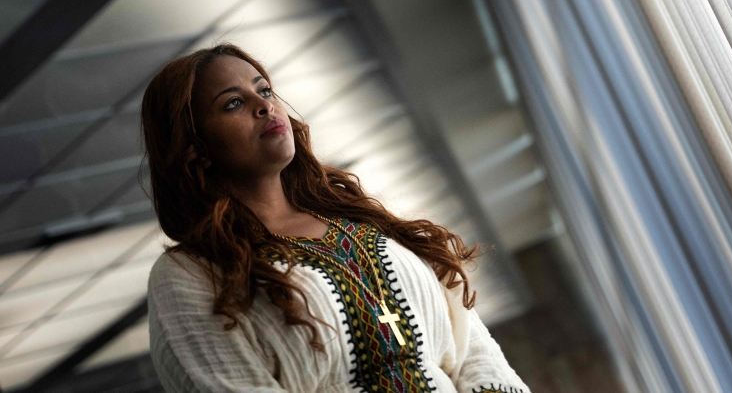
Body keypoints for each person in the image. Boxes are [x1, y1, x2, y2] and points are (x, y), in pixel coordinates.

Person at [142, 43, 529, 393]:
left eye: (264, 90)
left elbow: (474, 350)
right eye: (233, 104)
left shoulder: (364, 223)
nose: (266, 107)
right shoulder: (189, 273)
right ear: (193, 146)